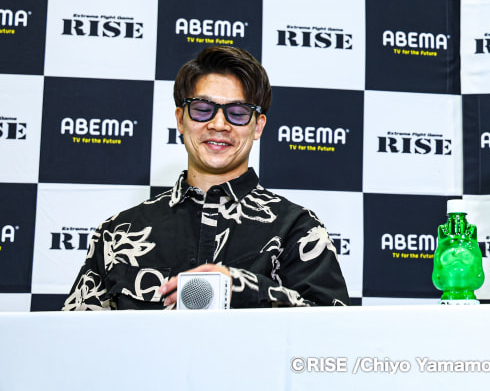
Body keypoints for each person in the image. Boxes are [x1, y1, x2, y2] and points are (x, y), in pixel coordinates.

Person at [63, 46, 349, 309]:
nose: (218, 124)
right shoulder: (118, 232)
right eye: (202, 109)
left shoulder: (297, 230)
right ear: (180, 119)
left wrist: (247, 289)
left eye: (238, 113)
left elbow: (333, 332)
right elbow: (73, 338)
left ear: (258, 126)